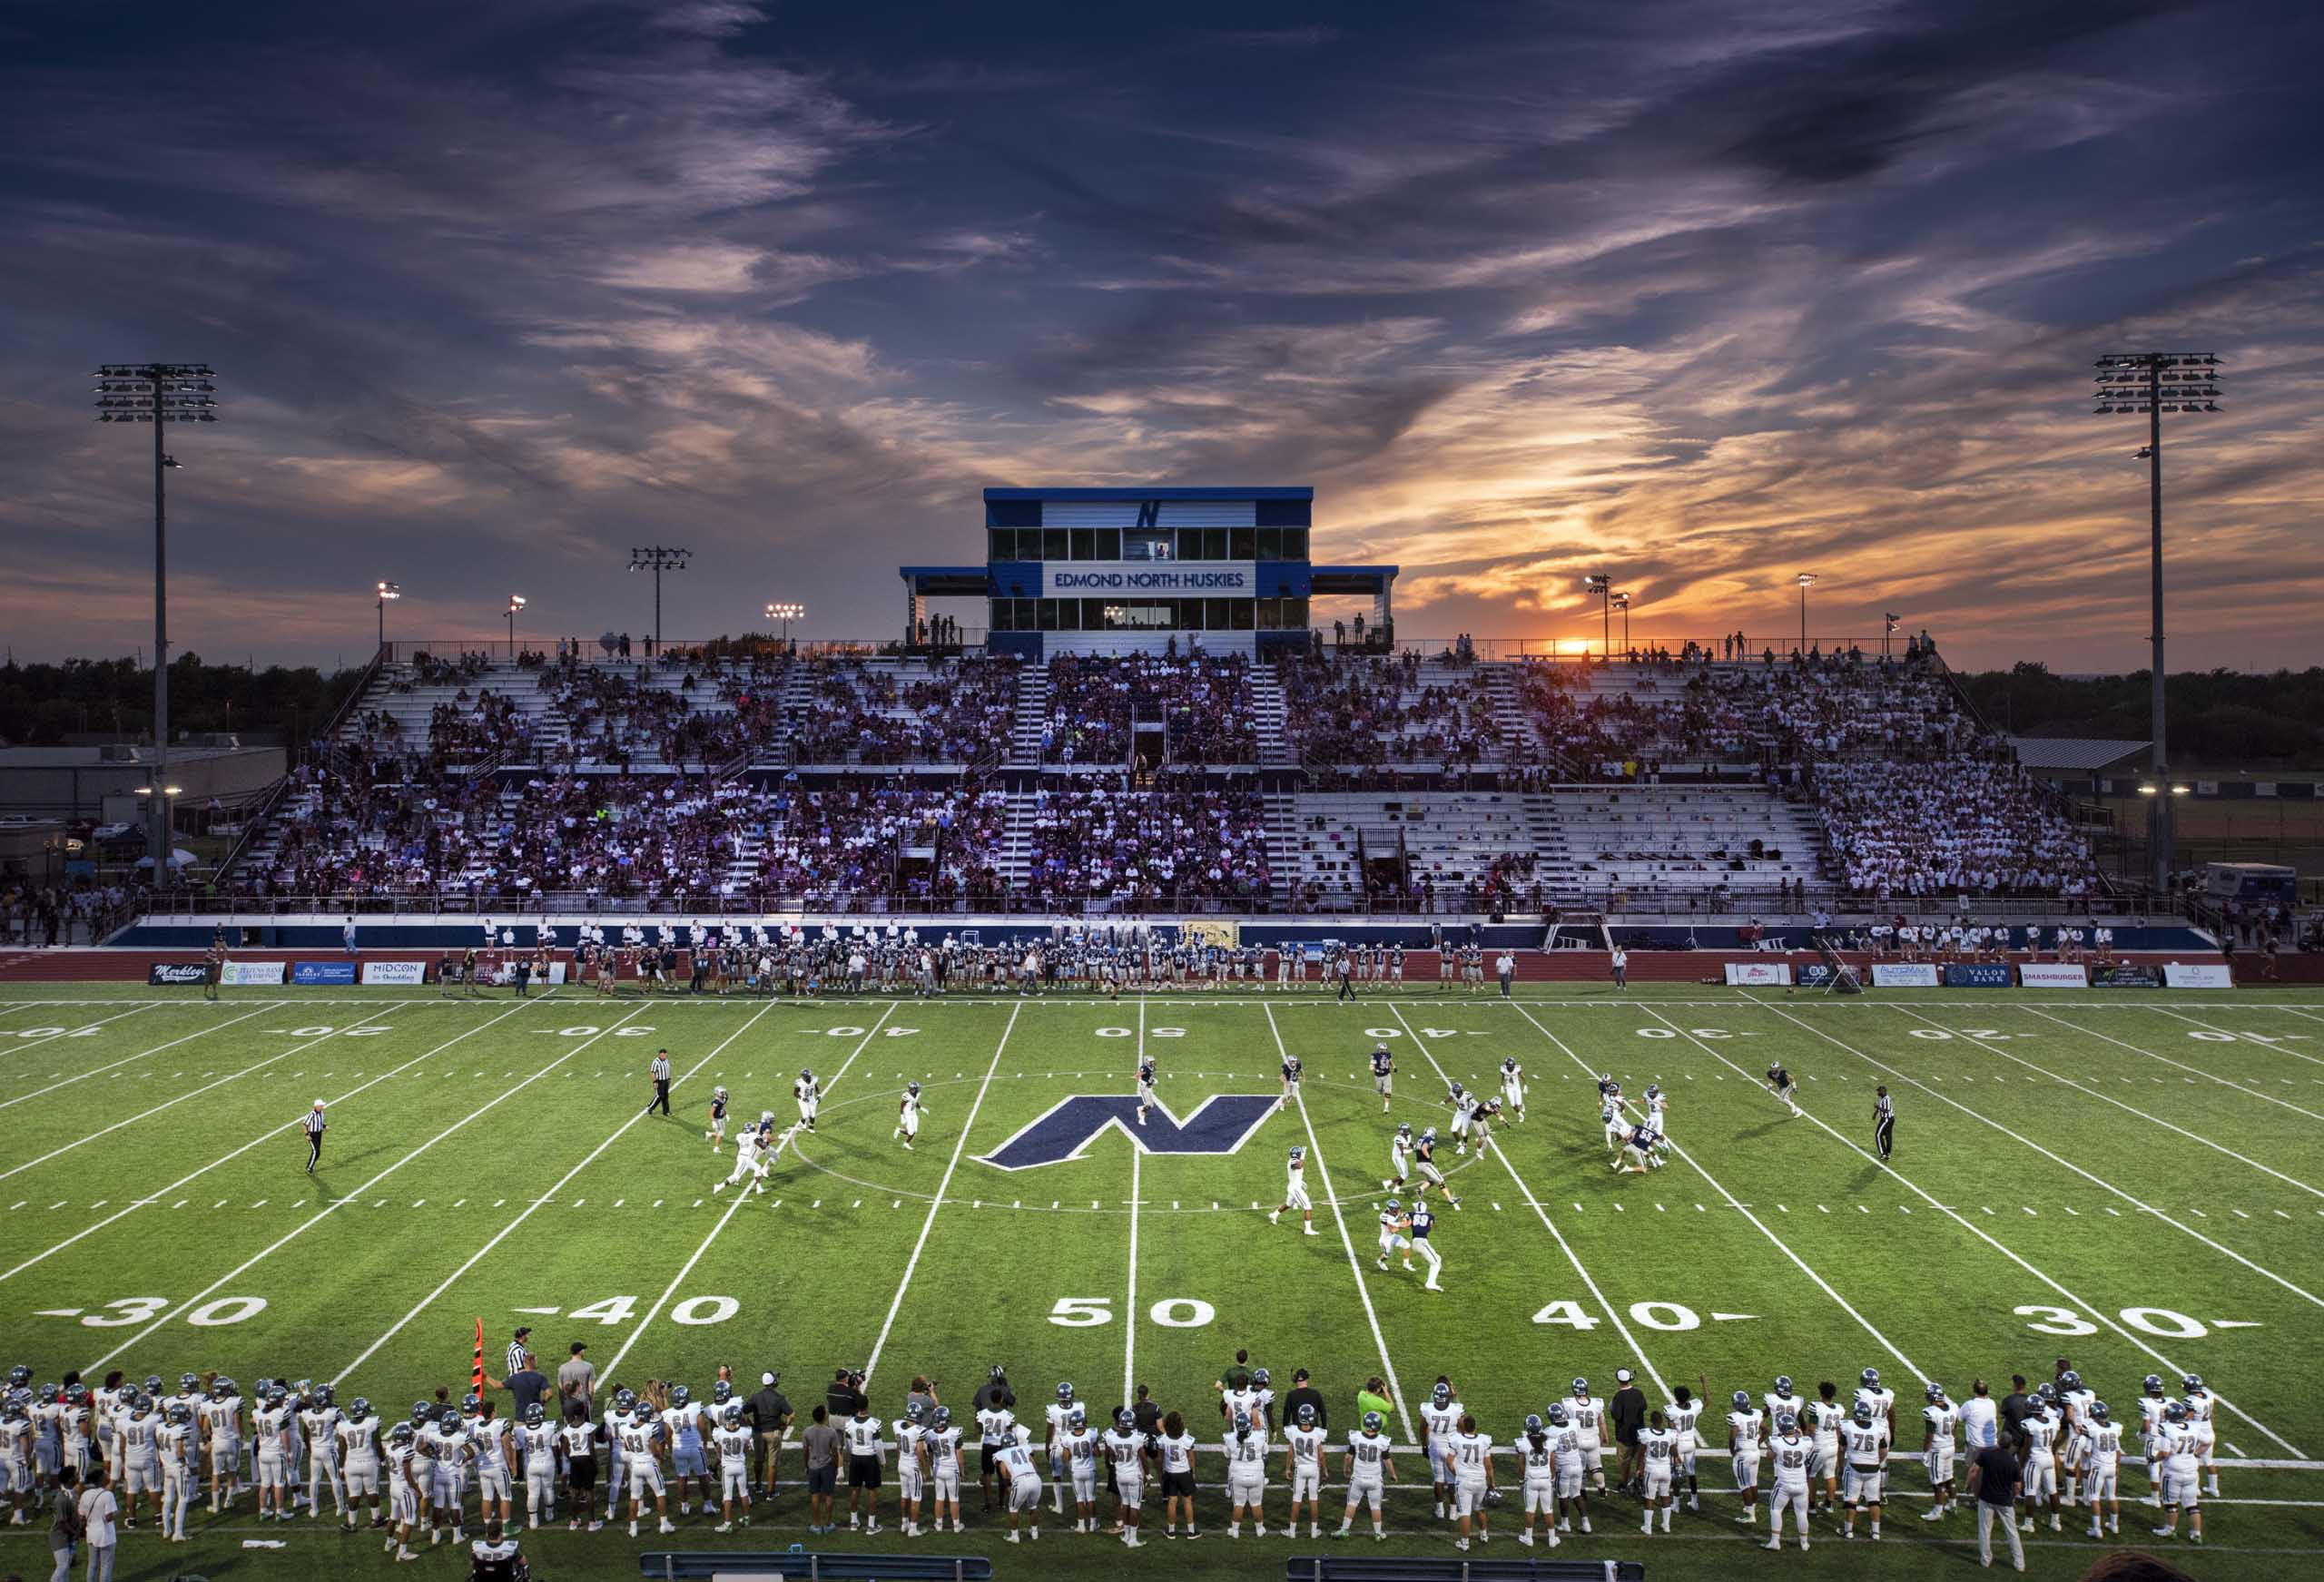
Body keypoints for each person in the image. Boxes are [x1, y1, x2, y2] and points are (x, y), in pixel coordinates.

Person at [1972, 1434, 2025, 1570]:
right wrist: (2013, 1496)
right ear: (2010, 1445)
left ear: (1999, 1442)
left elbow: (1974, 1471)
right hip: (2004, 1501)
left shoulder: (1987, 1455)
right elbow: (2018, 1486)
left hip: (1987, 1498)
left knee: (1985, 1530)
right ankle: (2019, 1563)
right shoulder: (2013, 1463)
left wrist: (1969, 1486)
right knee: (2012, 1532)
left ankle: (1985, 1560)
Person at [745, 1372, 791, 1503]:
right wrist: (785, 1425)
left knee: (759, 1460)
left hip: (758, 1433)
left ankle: (758, 1485)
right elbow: (791, 1414)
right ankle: (770, 1492)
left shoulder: (755, 1397)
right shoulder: (779, 1397)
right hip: (773, 1433)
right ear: (773, 1382)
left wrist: (751, 1424)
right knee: (772, 1464)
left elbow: (743, 1413)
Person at [800, 1406, 840, 1535]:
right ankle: (828, 1524)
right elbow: (835, 1453)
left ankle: (816, 1525)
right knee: (829, 1495)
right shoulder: (831, 1432)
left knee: (815, 1495)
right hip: (827, 1466)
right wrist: (836, 1467)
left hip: (813, 1466)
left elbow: (805, 1452)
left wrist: (806, 1466)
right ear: (824, 1416)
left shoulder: (807, 1432)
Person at [645, 1049, 673, 1117]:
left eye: (665, 1055)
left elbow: (667, 1069)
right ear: (659, 1055)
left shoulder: (666, 1060)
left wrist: (669, 1078)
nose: (663, 1056)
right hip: (659, 1081)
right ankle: (650, 1108)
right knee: (659, 1096)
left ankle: (666, 1112)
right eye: (662, 1055)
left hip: (665, 1080)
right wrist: (655, 1082)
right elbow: (653, 1072)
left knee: (665, 1096)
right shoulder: (656, 1062)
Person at [303, 1100, 328, 1174]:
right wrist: (307, 1134)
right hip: (312, 1135)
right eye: (321, 1106)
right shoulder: (312, 1114)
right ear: (316, 1106)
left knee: (318, 1152)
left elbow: (320, 1123)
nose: (322, 1107)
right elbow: (304, 1125)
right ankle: (309, 1168)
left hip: (319, 1134)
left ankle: (310, 1165)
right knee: (316, 1151)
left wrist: (325, 1126)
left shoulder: (322, 1113)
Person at [1874, 1085, 1896, 1161]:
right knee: (1887, 1136)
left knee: (1878, 1135)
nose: (1878, 1092)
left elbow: (1886, 1111)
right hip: (1888, 1119)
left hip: (1887, 1119)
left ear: (1883, 1091)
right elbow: (1879, 1107)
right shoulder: (1881, 1098)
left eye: (1879, 1091)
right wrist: (1875, 1114)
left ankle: (1883, 1153)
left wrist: (1878, 1107)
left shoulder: (1887, 1099)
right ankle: (1887, 1153)